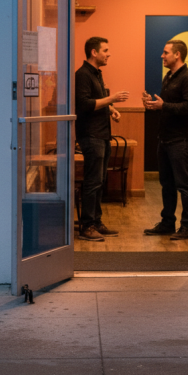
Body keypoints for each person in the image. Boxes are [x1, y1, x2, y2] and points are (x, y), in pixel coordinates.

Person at [142, 40, 188, 240]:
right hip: (165, 139)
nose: (162, 56)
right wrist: (152, 105)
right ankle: (167, 223)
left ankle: (187, 228)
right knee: (166, 184)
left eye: (165, 52)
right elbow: (168, 106)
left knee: (184, 185)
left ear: (177, 55)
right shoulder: (169, 76)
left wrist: (163, 106)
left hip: (181, 140)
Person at [75, 37, 129, 242]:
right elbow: (83, 104)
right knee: (92, 182)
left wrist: (111, 109)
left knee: (99, 182)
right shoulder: (82, 75)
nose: (109, 54)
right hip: (91, 135)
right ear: (93, 52)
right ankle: (86, 227)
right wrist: (111, 99)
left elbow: (97, 102)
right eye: (105, 50)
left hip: (102, 135)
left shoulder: (96, 74)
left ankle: (96, 222)